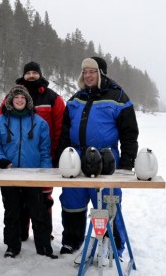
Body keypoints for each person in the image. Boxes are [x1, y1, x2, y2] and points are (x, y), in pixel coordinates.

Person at [55, 57, 139, 257]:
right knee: (71, 200)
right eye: (85, 72)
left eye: (92, 71)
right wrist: (61, 155)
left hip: (106, 158)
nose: (88, 75)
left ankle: (113, 245)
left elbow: (129, 133)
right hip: (75, 156)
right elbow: (65, 131)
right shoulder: (76, 98)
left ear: (101, 73)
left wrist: (127, 163)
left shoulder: (118, 97)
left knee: (107, 202)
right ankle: (72, 241)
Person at [0, 61, 66, 241]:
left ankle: (44, 234)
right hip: (15, 159)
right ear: (23, 75)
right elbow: (1, 124)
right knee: (18, 197)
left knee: (43, 198)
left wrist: (57, 154)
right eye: (28, 72)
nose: (31, 76)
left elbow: (62, 128)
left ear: (40, 75)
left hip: (45, 157)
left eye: (34, 73)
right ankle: (21, 233)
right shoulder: (11, 96)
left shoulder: (53, 98)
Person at [0, 86, 57, 259]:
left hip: (33, 176)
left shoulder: (39, 123)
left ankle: (44, 247)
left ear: (28, 101)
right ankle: (12, 246)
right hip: (8, 174)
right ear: (10, 101)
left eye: (23, 98)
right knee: (12, 212)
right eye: (16, 97)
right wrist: (0, 160)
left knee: (38, 212)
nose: (19, 100)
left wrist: (45, 173)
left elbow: (44, 150)